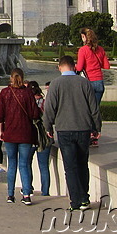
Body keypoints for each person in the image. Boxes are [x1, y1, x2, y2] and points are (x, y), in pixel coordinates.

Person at [43, 55, 101, 212]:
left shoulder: (55, 84)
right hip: (83, 128)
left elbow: (49, 109)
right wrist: (97, 128)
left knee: (70, 167)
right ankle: (84, 199)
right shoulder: (84, 83)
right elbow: (93, 108)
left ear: (60, 67)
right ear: (74, 66)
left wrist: (48, 127)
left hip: (64, 129)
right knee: (82, 164)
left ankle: (75, 201)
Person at [0, 67, 39, 205]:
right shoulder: (28, 93)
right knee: (24, 164)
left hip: (10, 133)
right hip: (25, 133)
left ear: (11, 77)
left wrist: (0, 131)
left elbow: (0, 115)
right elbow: (34, 114)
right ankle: (26, 195)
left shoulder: (5, 93)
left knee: (12, 164)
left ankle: (10, 195)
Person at [76, 27, 110, 146]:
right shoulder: (100, 49)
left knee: (87, 110)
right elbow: (106, 66)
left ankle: (89, 133)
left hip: (88, 82)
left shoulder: (83, 50)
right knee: (95, 110)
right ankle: (95, 134)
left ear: (85, 37)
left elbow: (79, 68)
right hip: (99, 82)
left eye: (82, 37)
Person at [28, 80, 51, 196]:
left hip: (31, 136)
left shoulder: (28, 103)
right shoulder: (45, 102)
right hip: (44, 137)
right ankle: (45, 192)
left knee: (27, 163)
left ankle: (28, 188)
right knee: (44, 166)